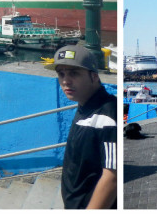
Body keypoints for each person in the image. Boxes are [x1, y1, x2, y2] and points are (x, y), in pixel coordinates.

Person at [45, 45, 118, 209]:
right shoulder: (85, 106)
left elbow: (112, 176)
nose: (65, 80)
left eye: (74, 73)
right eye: (61, 74)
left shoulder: (107, 116)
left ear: (94, 77)